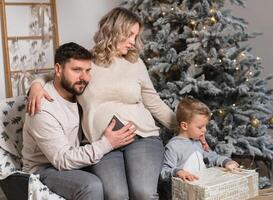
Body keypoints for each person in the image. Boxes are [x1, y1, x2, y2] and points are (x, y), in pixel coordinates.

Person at [27, 7, 180, 200]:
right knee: (116, 195)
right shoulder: (87, 63)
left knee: (143, 192)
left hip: (141, 137)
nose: (133, 42)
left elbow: (154, 102)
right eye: (129, 35)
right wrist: (36, 85)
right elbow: (54, 76)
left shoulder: (136, 63)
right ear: (115, 30)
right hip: (101, 143)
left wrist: (183, 128)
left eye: (136, 36)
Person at [22, 42, 136, 200]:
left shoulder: (78, 89)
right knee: (91, 186)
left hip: (77, 156)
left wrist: (36, 83)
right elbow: (62, 160)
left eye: (88, 70)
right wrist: (107, 143)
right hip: (45, 167)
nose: (84, 78)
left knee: (117, 182)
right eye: (76, 70)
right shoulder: (42, 107)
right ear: (58, 70)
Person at [160, 97, 239, 183]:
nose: (204, 130)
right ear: (185, 126)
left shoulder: (198, 143)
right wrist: (178, 172)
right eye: (200, 127)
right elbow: (164, 171)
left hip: (203, 187)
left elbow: (212, 157)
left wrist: (226, 162)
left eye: (205, 126)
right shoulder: (173, 146)